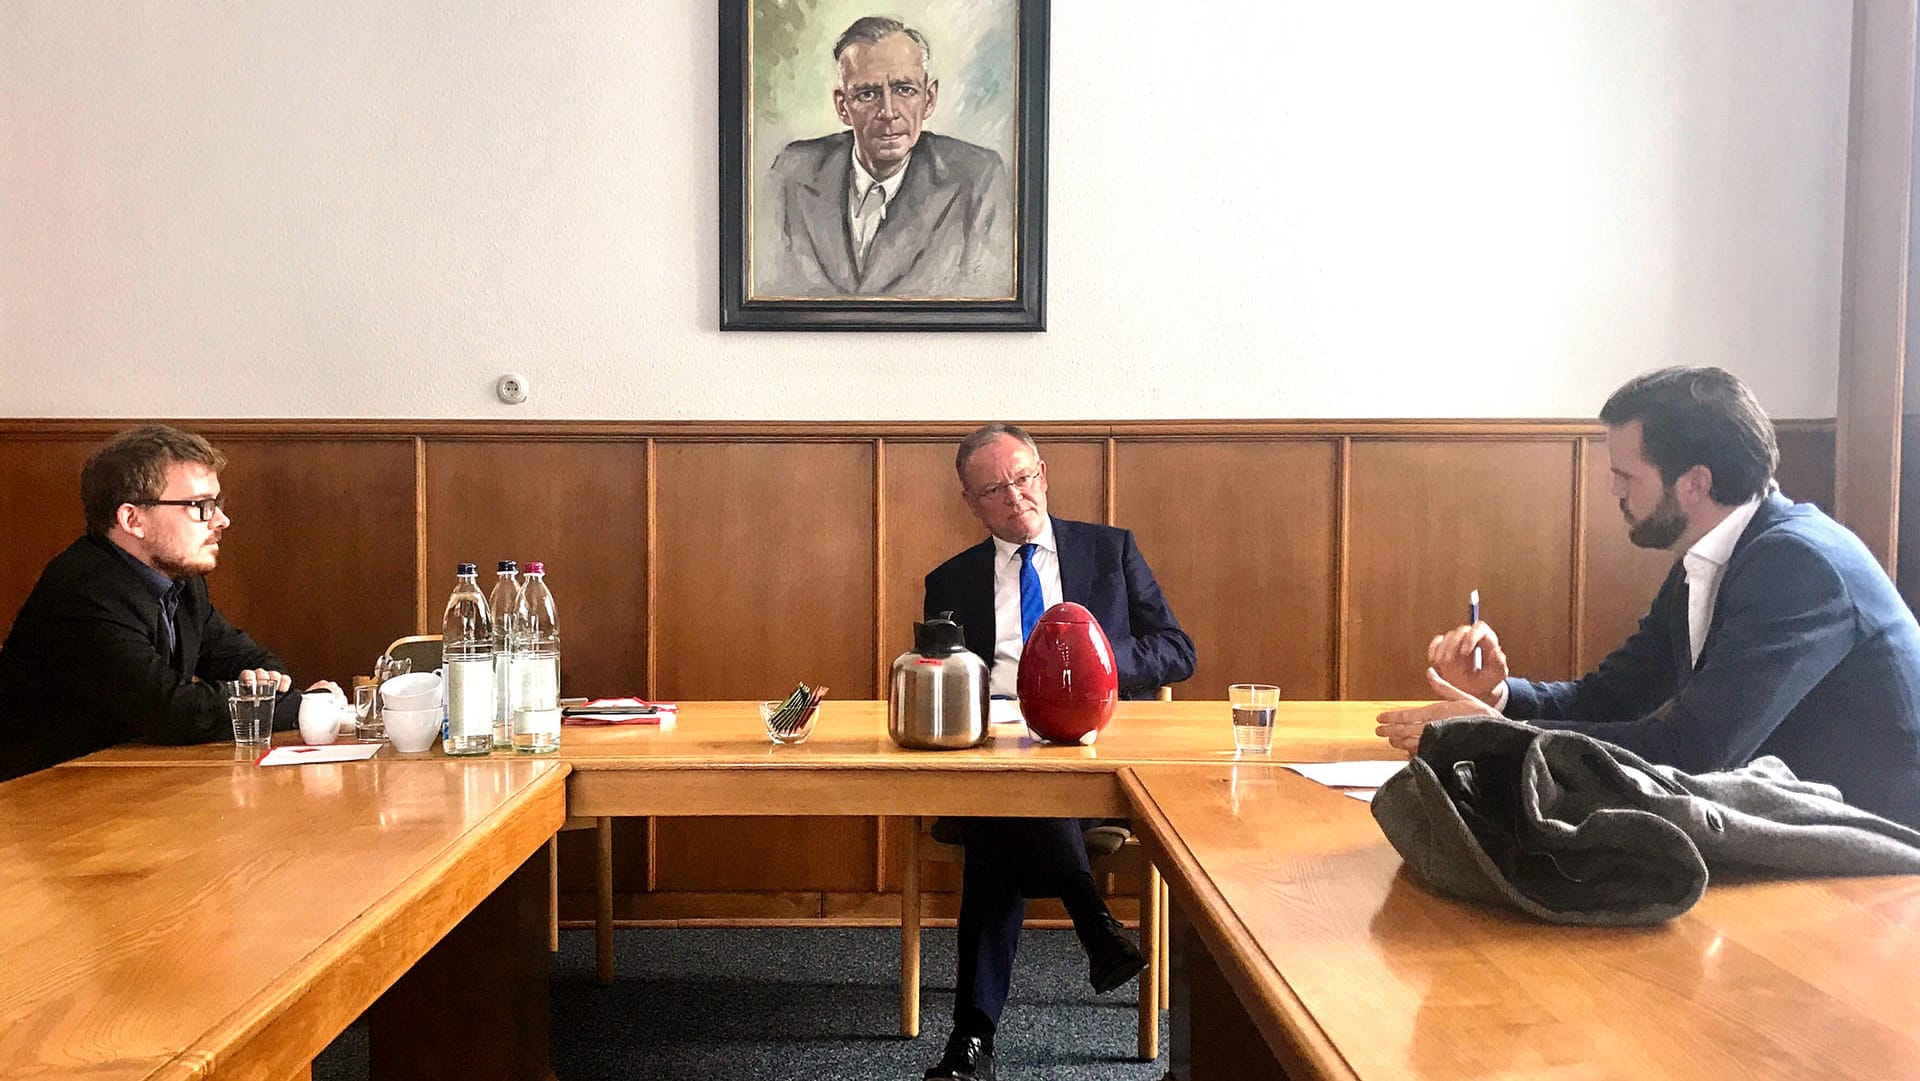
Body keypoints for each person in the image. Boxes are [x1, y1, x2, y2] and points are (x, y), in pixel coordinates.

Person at [1377, 367, 1920, 829]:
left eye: (1624, 474)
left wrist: (1496, 737)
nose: (1614, 490)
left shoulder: (1801, 566)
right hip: (1795, 831)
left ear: (1694, 483)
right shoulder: (1712, 557)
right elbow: (1611, 696)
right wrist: (1498, 700)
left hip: (1880, 861)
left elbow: (1695, 750)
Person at [919, 424, 1196, 1081]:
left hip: (1095, 754)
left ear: (1043, 474)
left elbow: (1177, 650)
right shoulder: (951, 581)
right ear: (972, 502)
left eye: (1023, 477)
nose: (1015, 497)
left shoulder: (1108, 550)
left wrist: (1094, 657)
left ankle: (971, 1041)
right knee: (1008, 797)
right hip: (998, 748)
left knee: (1003, 819)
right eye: (994, 488)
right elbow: (936, 674)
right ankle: (1094, 926)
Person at [0, 425, 323, 780]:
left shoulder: (180, 580)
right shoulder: (84, 593)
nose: (221, 520)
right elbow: (173, 712)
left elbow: (248, 660)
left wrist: (270, 687)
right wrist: (302, 707)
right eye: (200, 506)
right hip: (40, 795)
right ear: (132, 519)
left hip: (123, 781)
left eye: (216, 503)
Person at [758, 15, 1012, 299]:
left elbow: (986, 300)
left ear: (929, 99)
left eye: (905, 90)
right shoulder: (793, 172)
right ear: (843, 106)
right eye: (868, 94)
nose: (889, 111)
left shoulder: (978, 178)